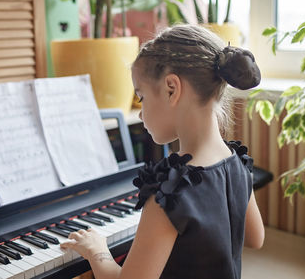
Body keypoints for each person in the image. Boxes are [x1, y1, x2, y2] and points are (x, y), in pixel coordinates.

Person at [61, 24, 265, 279]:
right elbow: (256, 238)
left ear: (172, 89)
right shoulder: (237, 163)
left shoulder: (171, 189)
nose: (140, 111)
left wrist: (97, 252)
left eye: (142, 97)